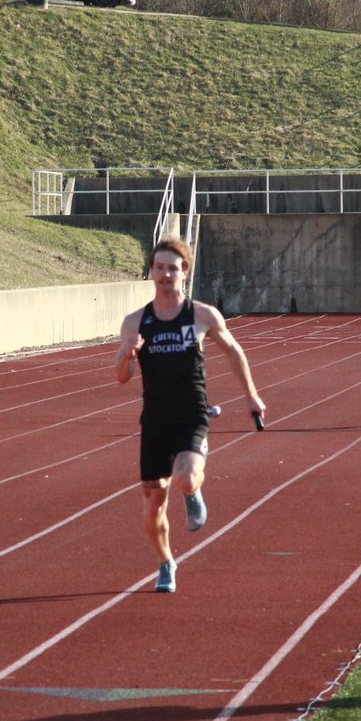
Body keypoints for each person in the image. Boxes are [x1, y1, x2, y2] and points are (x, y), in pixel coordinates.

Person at [115, 236, 266, 594]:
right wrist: (127, 354)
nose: (166, 274)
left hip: (192, 415)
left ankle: (192, 491)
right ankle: (166, 562)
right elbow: (122, 378)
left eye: (173, 268)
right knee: (152, 509)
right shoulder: (136, 322)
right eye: (160, 268)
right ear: (151, 272)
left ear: (185, 271)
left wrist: (252, 396)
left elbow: (233, 352)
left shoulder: (202, 315)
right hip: (154, 422)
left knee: (184, 476)